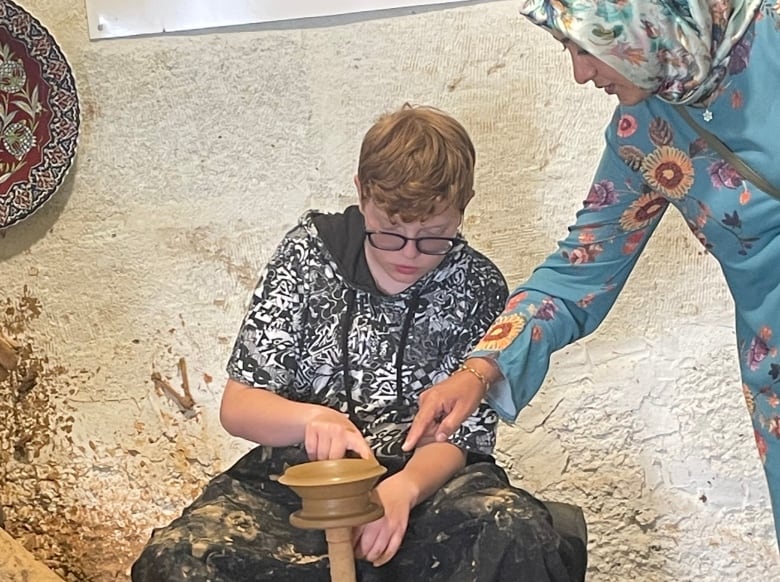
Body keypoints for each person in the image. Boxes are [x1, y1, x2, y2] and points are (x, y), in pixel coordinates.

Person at [131, 103, 588, 582]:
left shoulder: (476, 284)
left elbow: (462, 437)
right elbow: (239, 406)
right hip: (298, 482)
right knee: (178, 557)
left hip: (424, 484)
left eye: (434, 236)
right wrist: (310, 418)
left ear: (464, 207)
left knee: (513, 528)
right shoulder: (308, 255)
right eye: (390, 233)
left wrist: (405, 489)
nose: (410, 254)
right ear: (361, 193)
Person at [403, 0, 780, 550]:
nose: (580, 74)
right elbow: (579, 271)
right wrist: (478, 371)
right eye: (568, 50)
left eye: (587, 46)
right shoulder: (645, 134)